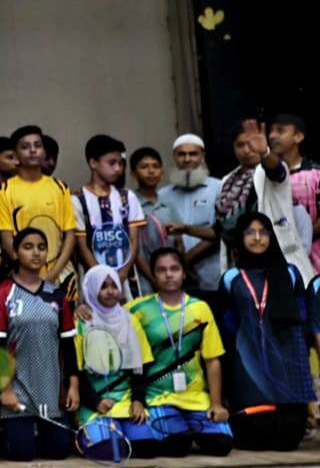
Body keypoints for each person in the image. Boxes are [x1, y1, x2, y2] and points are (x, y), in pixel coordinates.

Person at [218, 210, 312, 451]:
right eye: (250, 232)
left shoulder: (290, 273)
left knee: (288, 438)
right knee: (252, 437)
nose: (257, 238)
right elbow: (226, 324)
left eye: (263, 232)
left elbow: (301, 318)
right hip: (246, 365)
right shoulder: (231, 277)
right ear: (240, 238)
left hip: (286, 360)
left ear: (272, 236)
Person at [126, 247, 232, 458]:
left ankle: (188, 427)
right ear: (153, 275)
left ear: (184, 273)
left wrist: (216, 403)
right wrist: (86, 310)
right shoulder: (137, 309)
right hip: (159, 397)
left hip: (196, 397)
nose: (168, 275)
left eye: (174, 269)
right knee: (177, 447)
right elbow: (106, 311)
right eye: (161, 270)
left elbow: (212, 360)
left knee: (221, 445)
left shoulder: (200, 308)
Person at [0, 228, 77, 462]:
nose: (36, 253)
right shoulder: (3, 294)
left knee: (59, 451)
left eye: (41, 247)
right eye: (28, 247)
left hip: (51, 390)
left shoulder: (57, 295)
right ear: (15, 253)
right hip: (17, 390)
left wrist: (73, 386)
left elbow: (68, 346)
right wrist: (4, 389)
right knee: (21, 453)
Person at [71, 264, 153, 462]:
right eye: (103, 286)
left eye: (114, 285)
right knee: (109, 452)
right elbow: (76, 370)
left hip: (126, 401)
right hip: (94, 404)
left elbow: (140, 368)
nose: (110, 291)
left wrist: (138, 401)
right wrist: (95, 402)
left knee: (146, 448)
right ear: (92, 289)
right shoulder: (80, 323)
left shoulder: (131, 320)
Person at [217, 119, 314, 284]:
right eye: (240, 145)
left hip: (278, 261)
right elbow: (222, 226)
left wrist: (265, 153)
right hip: (240, 262)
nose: (247, 150)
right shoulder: (228, 180)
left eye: (250, 144)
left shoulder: (267, 171)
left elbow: (277, 171)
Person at [0, 126, 77, 283]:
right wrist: (29, 271)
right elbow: (6, 238)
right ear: (16, 156)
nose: (32, 150)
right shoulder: (4, 191)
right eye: (25, 147)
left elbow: (70, 234)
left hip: (62, 274)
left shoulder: (60, 187)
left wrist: (54, 273)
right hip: (25, 277)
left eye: (37, 145)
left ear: (44, 152)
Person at [71, 135, 145, 295]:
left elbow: (134, 241)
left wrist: (122, 274)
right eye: (112, 163)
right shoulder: (77, 200)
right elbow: (82, 246)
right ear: (93, 163)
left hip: (126, 277)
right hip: (93, 276)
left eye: (120, 163)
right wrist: (104, 278)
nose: (118, 168)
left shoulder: (127, 197)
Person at [157, 134, 224, 298]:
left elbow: (221, 231)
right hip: (172, 279)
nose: (187, 159)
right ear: (174, 157)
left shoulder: (219, 188)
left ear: (202, 156)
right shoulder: (162, 195)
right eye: (181, 154)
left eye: (193, 154)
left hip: (212, 277)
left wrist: (185, 260)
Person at [267, 114, 319, 273]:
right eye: (271, 131)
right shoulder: (261, 177)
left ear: (298, 137)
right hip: (276, 259)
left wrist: (300, 239)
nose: (272, 136)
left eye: (280, 130)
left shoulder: (316, 173)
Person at [128, 148, 175, 296]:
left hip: (169, 278)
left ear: (162, 172)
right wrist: (155, 279)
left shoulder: (168, 204)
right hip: (143, 282)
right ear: (133, 174)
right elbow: (133, 248)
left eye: (156, 166)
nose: (151, 171)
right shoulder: (129, 203)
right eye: (144, 167)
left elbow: (177, 242)